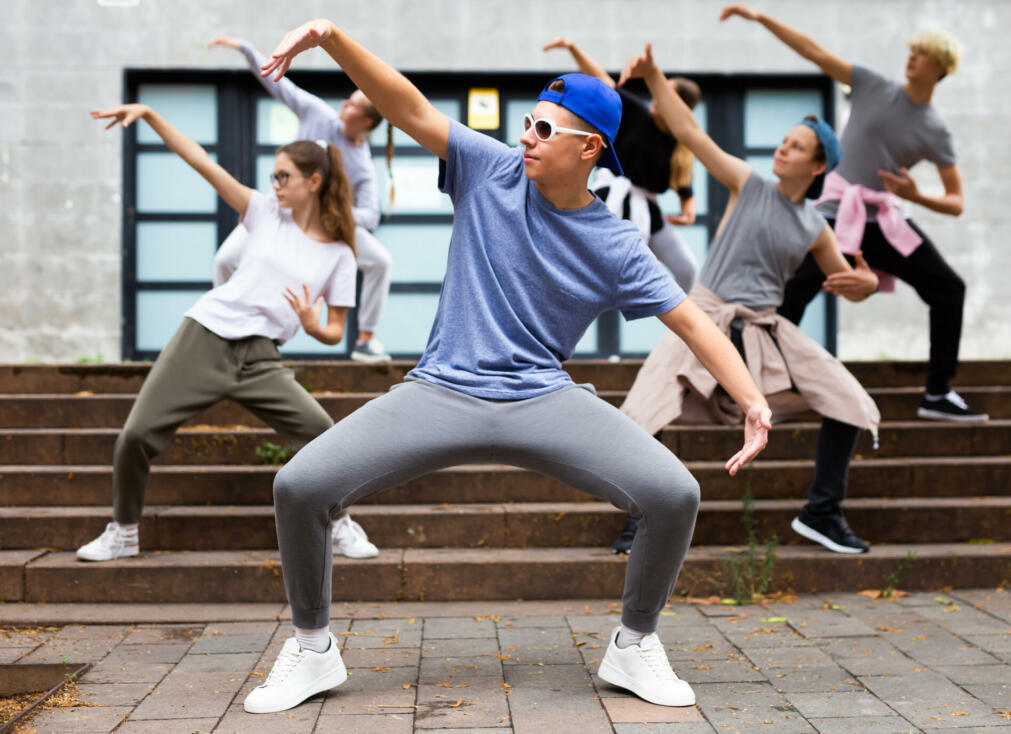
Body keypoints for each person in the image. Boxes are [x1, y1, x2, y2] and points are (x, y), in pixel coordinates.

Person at [240, 18, 773, 715]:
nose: (526, 136)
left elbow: (692, 320)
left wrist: (754, 401)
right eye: (528, 122)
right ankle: (312, 651)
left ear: (590, 149)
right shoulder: (490, 169)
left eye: (545, 130)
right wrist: (331, 40)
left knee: (674, 494)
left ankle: (633, 644)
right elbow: (409, 106)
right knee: (300, 485)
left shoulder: (614, 243)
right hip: (441, 389)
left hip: (541, 398)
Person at [75, 106, 378, 562]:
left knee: (322, 432)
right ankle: (124, 531)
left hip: (261, 358)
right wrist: (153, 116)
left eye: (283, 177)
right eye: (273, 177)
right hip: (204, 336)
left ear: (313, 182)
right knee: (136, 435)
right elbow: (202, 162)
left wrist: (314, 325)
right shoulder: (263, 214)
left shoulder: (340, 254)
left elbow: (336, 331)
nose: (273, 185)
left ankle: (339, 521)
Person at [616, 44, 881, 557]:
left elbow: (849, 282)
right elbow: (690, 132)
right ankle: (642, 521)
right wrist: (653, 76)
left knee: (851, 401)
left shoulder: (814, 227)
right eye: (783, 141)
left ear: (819, 163)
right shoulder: (748, 183)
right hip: (703, 315)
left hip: (763, 329)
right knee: (640, 416)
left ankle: (822, 513)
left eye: (797, 147)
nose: (783, 149)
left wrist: (866, 286)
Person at [720, 5, 985, 422]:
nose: (912, 56)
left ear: (941, 67)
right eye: (912, 49)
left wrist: (916, 196)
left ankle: (937, 393)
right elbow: (814, 52)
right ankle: (755, 388)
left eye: (923, 53)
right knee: (789, 294)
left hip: (883, 221)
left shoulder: (935, 129)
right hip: (830, 215)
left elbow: (957, 202)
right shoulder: (873, 85)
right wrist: (760, 19)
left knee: (949, 288)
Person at [210, 36, 395, 363]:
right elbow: (277, 83)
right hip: (278, 214)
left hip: (322, 224)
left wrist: (334, 215)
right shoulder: (318, 114)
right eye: (346, 100)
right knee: (225, 260)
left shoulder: (362, 163)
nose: (343, 106)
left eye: (351, 105)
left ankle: (366, 340)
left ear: (365, 122)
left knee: (380, 261)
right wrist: (245, 47)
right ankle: (223, 332)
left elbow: (371, 214)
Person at [543, 37, 700, 291]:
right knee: (585, 265)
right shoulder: (636, 111)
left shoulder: (681, 146)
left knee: (688, 269)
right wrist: (574, 48)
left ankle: (680, 327)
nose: (657, 97)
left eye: (666, 93)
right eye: (659, 90)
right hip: (609, 201)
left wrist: (687, 213)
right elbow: (600, 79)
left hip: (646, 215)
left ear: (679, 107)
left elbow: (686, 193)